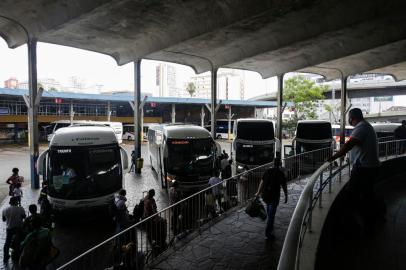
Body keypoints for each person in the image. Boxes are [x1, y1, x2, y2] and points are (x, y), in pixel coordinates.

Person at [327, 108, 380, 230]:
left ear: (352, 118)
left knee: (352, 194)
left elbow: (348, 145)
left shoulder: (361, 127)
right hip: (370, 167)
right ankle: (370, 220)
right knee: (367, 195)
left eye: (349, 118)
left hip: (364, 168)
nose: (349, 121)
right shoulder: (367, 126)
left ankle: (356, 224)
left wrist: (334, 156)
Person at [255, 157, 288, 240]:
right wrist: (286, 196)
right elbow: (284, 186)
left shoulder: (267, 171)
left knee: (270, 212)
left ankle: (271, 228)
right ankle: (268, 233)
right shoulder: (281, 173)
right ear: (280, 164)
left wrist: (258, 193)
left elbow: (262, 183)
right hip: (274, 196)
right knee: (271, 216)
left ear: (273, 163)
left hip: (266, 195)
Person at [2, 196, 26, 263]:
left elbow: (3, 220)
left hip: (9, 229)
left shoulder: (4, 210)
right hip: (18, 229)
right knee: (20, 242)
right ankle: (19, 255)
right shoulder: (20, 209)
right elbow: (24, 217)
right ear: (17, 202)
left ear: (10, 202)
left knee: (7, 243)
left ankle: (5, 257)